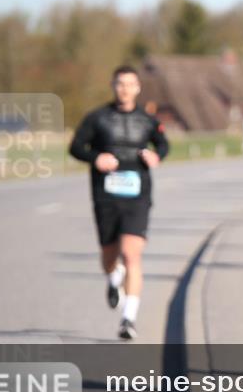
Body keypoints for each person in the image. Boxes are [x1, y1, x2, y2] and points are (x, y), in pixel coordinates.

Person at [69, 65, 170, 340]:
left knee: (131, 253)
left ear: (138, 88)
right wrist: (96, 158)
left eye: (130, 84)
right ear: (113, 86)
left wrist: (156, 156)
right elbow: (76, 147)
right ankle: (114, 279)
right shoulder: (97, 118)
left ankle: (129, 318)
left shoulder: (147, 120)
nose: (125, 89)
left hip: (138, 194)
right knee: (109, 256)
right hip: (106, 195)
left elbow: (163, 144)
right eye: (120, 84)